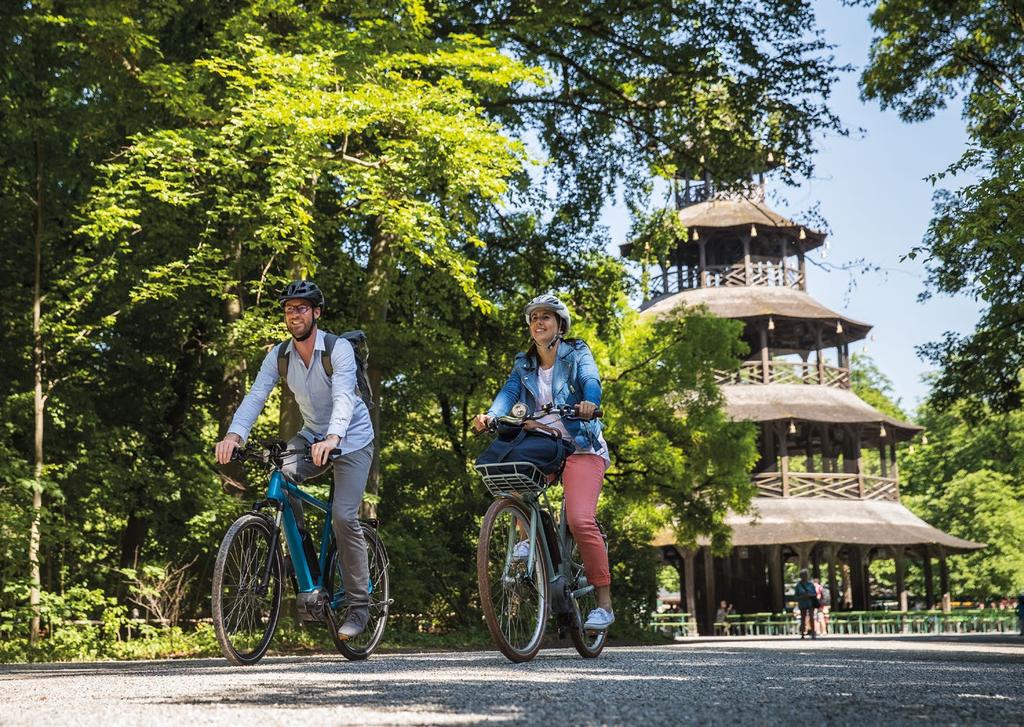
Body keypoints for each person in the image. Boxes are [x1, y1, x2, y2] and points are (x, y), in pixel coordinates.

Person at [214, 280, 375, 640]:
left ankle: (359, 606)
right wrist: (233, 435)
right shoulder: (280, 355)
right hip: (313, 434)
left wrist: (334, 437)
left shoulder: (339, 350)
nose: (295, 314)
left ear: (316, 313)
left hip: (352, 439)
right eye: (289, 309)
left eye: (302, 308)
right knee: (280, 477)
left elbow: (345, 396)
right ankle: (299, 555)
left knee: (343, 516)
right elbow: (256, 396)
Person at [472, 293, 613, 632]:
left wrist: (589, 403)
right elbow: (508, 394)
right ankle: (527, 534)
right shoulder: (524, 363)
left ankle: (605, 605)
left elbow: (591, 380)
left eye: (546, 316)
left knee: (580, 519)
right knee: (512, 476)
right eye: (534, 317)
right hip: (545, 444)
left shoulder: (576, 352)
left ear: (559, 325)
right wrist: (492, 415)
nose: (539, 321)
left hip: (581, 446)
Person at [795, 569, 818, 639]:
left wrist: (809, 595)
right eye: (803, 575)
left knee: (811, 617)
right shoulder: (798, 585)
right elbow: (796, 596)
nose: (804, 576)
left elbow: (815, 593)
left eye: (805, 575)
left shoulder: (811, 584)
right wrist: (802, 596)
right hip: (802, 603)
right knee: (803, 618)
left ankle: (813, 633)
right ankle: (802, 633)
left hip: (810, 603)